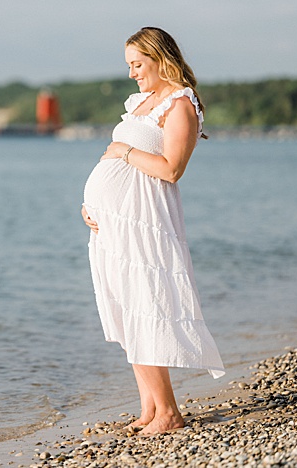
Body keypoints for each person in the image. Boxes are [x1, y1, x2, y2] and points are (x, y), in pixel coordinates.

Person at [80, 26, 224, 435]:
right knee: (128, 310)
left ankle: (169, 414)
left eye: (137, 64)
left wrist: (123, 151)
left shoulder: (180, 104)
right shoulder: (143, 103)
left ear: (161, 60)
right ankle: (149, 409)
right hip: (113, 224)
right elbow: (116, 170)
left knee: (146, 304)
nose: (131, 74)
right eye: (129, 65)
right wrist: (91, 205)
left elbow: (171, 169)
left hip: (144, 223)